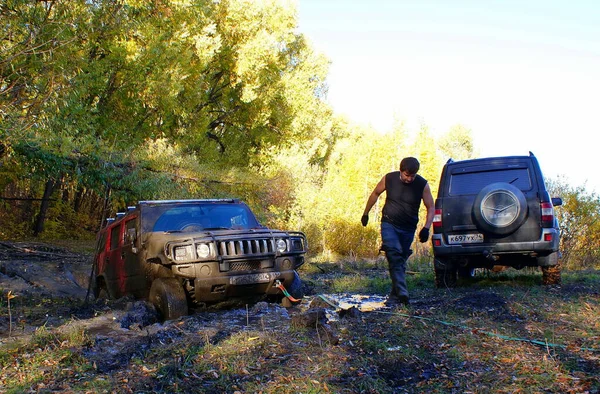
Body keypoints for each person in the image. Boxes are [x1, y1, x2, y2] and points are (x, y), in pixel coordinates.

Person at [361, 157, 435, 306]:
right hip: (389, 223)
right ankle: (402, 290)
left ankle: (395, 296)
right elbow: (375, 193)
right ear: (401, 171)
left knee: (400, 259)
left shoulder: (422, 184)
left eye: (412, 176)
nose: (409, 179)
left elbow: (431, 207)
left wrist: (426, 227)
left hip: (408, 228)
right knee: (393, 252)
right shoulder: (389, 178)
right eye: (406, 175)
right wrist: (366, 213)